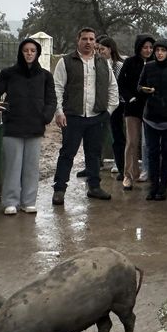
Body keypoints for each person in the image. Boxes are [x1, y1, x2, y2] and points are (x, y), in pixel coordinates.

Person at [0, 38, 56, 215]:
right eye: (25, 50)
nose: (29, 53)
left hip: (35, 126)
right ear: (20, 53)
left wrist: (45, 117)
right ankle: (10, 201)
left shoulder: (45, 76)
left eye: (32, 50)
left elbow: (51, 99)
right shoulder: (9, 73)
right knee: (13, 165)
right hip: (13, 125)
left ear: (37, 53)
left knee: (31, 166)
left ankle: (28, 201)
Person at [51, 28, 117, 204]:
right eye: (85, 39)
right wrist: (59, 112)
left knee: (94, 153)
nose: (88, 42)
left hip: (96, 116)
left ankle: (94, 187)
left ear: (95, 42)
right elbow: (57, 88)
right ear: (77, 40)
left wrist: (108, 111)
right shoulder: (65, 62)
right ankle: (59, 189)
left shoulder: (103, 62)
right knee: (67, 153)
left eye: (91, 39)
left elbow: (112, 87)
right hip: (73, 116)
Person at [138, 40, 167, 201]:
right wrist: (144, 90)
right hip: (151, 116)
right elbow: (139, 86)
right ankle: (153, 185)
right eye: (157, 50)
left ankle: (163, 185)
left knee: (166, 152)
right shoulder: (148, 67)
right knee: (152, 151)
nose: (159, 53)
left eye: (163, 50)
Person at [116, 35, 155, 191]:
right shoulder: (130, 62)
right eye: (145, 47)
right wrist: (130, 98)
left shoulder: (155, 63)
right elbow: (121, 83)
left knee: (151, 143)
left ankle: (152, 174)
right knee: (132, 142)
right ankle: (128, 175)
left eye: (150, 47)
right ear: (139, 47)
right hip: (132, 108)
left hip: (151, 108)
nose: (148, 50)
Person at [96, 37, 127, 182]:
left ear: (110, 49)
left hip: (117, 106)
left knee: (118, 138)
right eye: (98, 49)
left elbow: (118, 87)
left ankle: (122, 168)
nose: (100, 52)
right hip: (101, 105)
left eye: (102, 49)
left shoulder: (118, 66)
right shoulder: (98, 64)